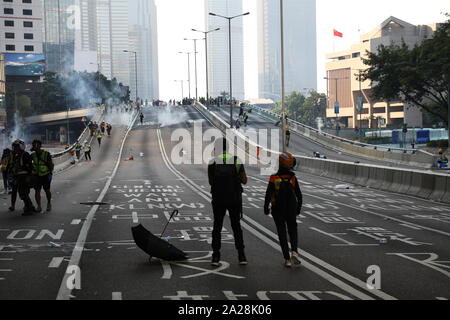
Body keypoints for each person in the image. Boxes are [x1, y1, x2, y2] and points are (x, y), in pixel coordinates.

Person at [208, 138, 248, 267]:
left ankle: (215, 256)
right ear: (228, 148)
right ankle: (241, 255)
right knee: (236, 226)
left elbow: (211, 182)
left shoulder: (212, 162)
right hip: (234, 199)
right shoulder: (236, 160)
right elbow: (244, 180)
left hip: (218, 199)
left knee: (217, 227)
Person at [264, 152, 303, 268]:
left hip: (278, 209)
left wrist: (266, 207)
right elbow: (299, 195)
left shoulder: (274, 178)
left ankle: (287, 259)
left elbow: (268, 194)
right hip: (291, 208)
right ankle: (294, 251)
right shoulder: (292, 178)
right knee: (292, 230)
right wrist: (298, 208)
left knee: (282, 233)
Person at [8, 140, 36, 215]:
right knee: (23, 194)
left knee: (23, 194)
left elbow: (29, 167)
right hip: (19, 178)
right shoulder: (17, 156)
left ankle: (29, 209)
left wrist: (29, 177)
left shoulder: (25, 155)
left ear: (21, 147)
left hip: (25, 178)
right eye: (14, 147)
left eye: (16, 147)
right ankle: (30, 207)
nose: (15, 149)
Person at [31, 140, 54, 213]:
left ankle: (49, 203)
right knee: (37, 191)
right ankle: (39, 206)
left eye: (35, 145)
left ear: (39, 146)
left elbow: (51, 165)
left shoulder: (46, 154)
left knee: (47, 190)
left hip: (45, 175)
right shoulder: (33, 155)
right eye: (34, 146)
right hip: (36, 175)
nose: (35, 147)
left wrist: (50, 173)